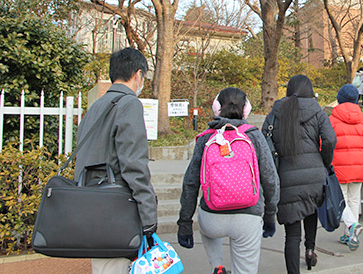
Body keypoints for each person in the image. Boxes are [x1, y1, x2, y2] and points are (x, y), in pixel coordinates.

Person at [177, 87, 280, 274]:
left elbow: (191, 183)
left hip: (211, 218)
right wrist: (270, 215)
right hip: (247, 217)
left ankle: (217, 265)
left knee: (208, 224)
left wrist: (184, 223)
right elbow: (270, 179)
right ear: (246, 109)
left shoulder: (206, 138)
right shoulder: (254, 135)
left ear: (216, 107)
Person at [74, 47, 158, 274]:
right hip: (115, 210)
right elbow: (135, 166)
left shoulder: (95, 107)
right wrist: (149, 216)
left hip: (91, 206)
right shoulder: (129, 104)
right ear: (138, 74)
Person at [261, 75, 337, 273]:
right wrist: (324, 161)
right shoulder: (317, 111)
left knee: (292, 234)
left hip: (286, 178)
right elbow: (329, 139)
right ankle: (310, 250)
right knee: (310, 211)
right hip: (314, 176)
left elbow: (264, 142)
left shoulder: (275, 113)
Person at [329, 85, 363, 251]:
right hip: (358, 170)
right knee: (354, 201)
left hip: (338, 170)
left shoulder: (331, 121)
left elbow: (324, 145)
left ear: (340, 99)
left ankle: (352, 226)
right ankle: (350, 235)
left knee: (340, 202)